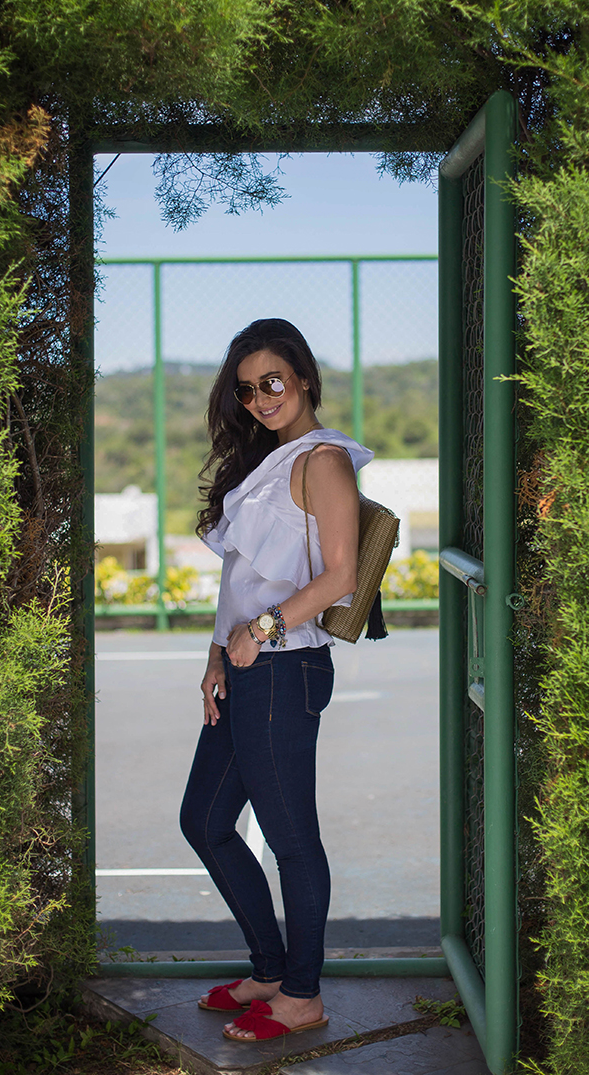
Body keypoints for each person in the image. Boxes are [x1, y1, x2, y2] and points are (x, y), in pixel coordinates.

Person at [180, 318, 373, 1043]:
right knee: (203, 821)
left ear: (303, 379)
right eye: (247, 388)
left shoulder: (323, 461)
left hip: (286, 666)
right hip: (246, 667)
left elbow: (341, 577)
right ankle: (269, 968)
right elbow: (243, 578)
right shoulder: (269, 460)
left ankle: (302, 996)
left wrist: (259, 634)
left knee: (292, 839)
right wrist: (216, 654)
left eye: (272, 382)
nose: (261, 398)